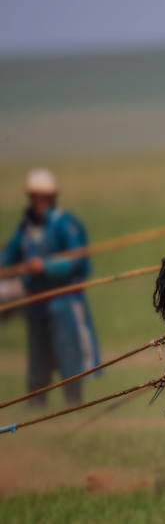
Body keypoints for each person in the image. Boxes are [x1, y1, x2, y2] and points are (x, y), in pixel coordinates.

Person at [1, 168, 101, 406]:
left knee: (69, 355)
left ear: (51, 197)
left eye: (42, 196)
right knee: (37, 357)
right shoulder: (27, 227)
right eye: (34, 195)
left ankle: (73, 404)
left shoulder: (66, 225)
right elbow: (10, 255)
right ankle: (36, 406)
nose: (38, 201)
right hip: (35, 301)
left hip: (63, 301)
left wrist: (45, 267)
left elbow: (77, 262)